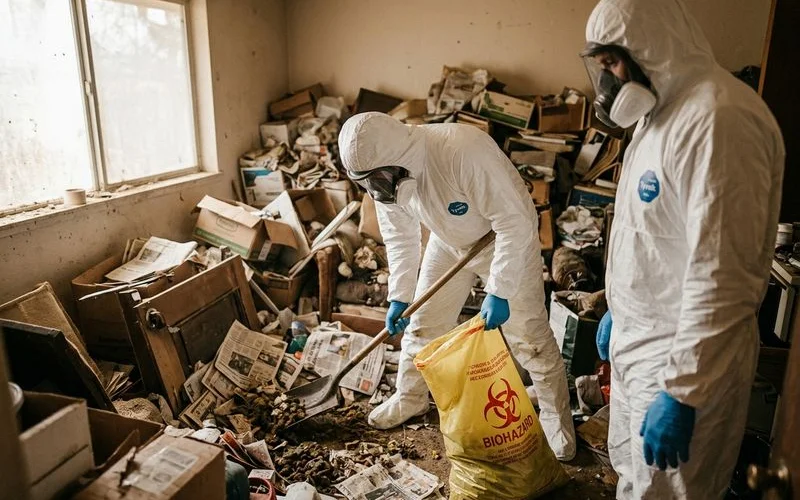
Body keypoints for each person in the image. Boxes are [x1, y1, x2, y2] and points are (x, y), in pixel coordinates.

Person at [583, 0, 785, 497]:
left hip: (683, 360)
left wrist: (683, 391)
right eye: (602, 67)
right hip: (640, 345)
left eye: (611, 63)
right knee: (632, 478)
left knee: (670, 493)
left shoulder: (719, 118)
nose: (607, 83)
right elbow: (647, 240)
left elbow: (723, 276)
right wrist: (617, 310)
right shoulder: (656, 118)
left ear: (648, 47)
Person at [338, 112, 577, 461]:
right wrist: (399, 297)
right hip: (448, 242)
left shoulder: (461, 151)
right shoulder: (385, 179)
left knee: (530, 338)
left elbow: (515, 222)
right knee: (423, 323)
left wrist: (499, 289)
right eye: (367, 182)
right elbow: (400, 238)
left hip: (502, 240)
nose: (376, 188)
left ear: (399, 156)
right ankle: (410, 397)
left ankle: (557, 419)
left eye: (378, 178)